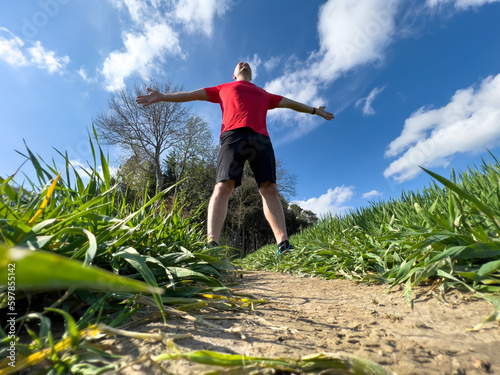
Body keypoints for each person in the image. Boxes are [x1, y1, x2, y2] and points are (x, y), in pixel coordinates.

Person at [136, 62, 334, 255]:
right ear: (234, 74)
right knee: (223, 186)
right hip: (232, 137)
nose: (242, 63)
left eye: (246, 64)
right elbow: (191, 94)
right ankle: (211, 245)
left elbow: (290, 103)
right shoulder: (223, 88)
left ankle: (283, 245)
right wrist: (162, 96)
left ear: (251, 74)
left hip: (260, 139)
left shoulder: (264, 94)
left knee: (269, 188)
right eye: (238, 64)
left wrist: (315, 110)